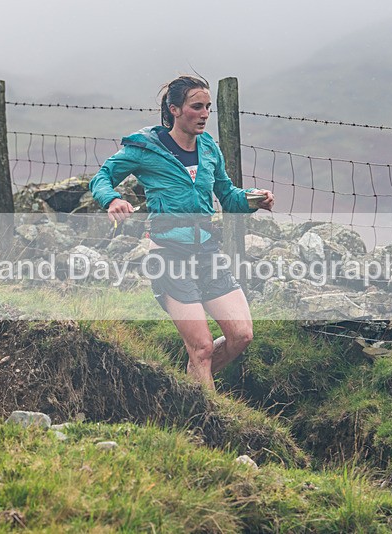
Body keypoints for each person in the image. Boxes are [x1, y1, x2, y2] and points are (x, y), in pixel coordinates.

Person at [89, 75, 274, 390]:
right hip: (169, 256)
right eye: (196, 107)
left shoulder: (209, 149)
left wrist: (253, 198)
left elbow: (227, 196)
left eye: (208, 108)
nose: (204, 114)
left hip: (207, 253)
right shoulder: (145, 148)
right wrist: (113, 199)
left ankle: (186, 386)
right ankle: (206, 422)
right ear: (174, 109)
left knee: (241, 335)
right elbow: (102, 176)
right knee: (201, 348)